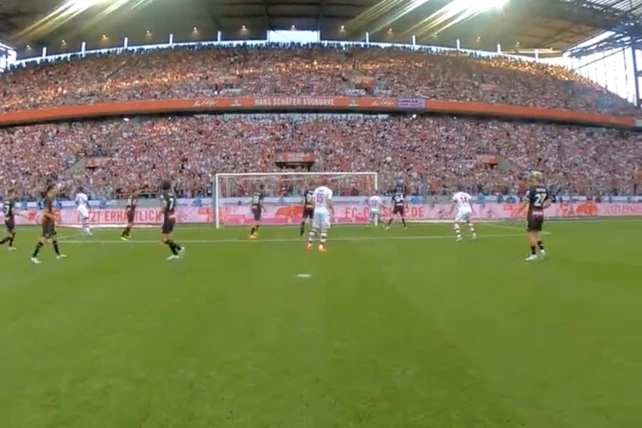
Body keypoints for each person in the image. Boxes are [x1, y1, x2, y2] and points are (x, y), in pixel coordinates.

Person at [31, 184, 67, 264]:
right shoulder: (47, 199)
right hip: (47, 222)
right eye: (55, 188)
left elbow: (57, 193)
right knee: (44, 238)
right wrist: (55, 218)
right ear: (51, 189)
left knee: (54, 237)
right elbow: (45, 213)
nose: (56, 190)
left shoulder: (50, 198)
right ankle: (34, 256)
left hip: (50, 221)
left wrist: (62, 190)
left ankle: (58, 254)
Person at [520, 172, 551, 261]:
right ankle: (542, 250)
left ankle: (533, 254)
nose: (530, 179)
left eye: (532, 177)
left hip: (532, 212)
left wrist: (518, 211)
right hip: (540, 212)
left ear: (535, 179)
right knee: (536, 232)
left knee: (530, 233)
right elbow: (548, 203)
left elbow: (525, 202)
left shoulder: (531, 190)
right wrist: (541, 207)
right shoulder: (545, 189)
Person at [160, 180, 185, 260]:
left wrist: (160, 213)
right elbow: (174, 206)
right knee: (169, 238)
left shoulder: (163, 194)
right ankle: (175, 254)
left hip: (167, 217)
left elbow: (164, 205)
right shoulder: (172, 194)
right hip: (172, 216)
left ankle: (179, 247)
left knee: (164, 240)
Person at [306, 183, 333, 252]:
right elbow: (329, 201)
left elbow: (312, 200)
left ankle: (309, 245)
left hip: (316, 210)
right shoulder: (328, 190)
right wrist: (331, 209)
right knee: (324, 229)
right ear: (327, 183)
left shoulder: (316, 189)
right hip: (324, 210)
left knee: (314, 228)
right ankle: (321, 247)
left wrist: (315, 208)